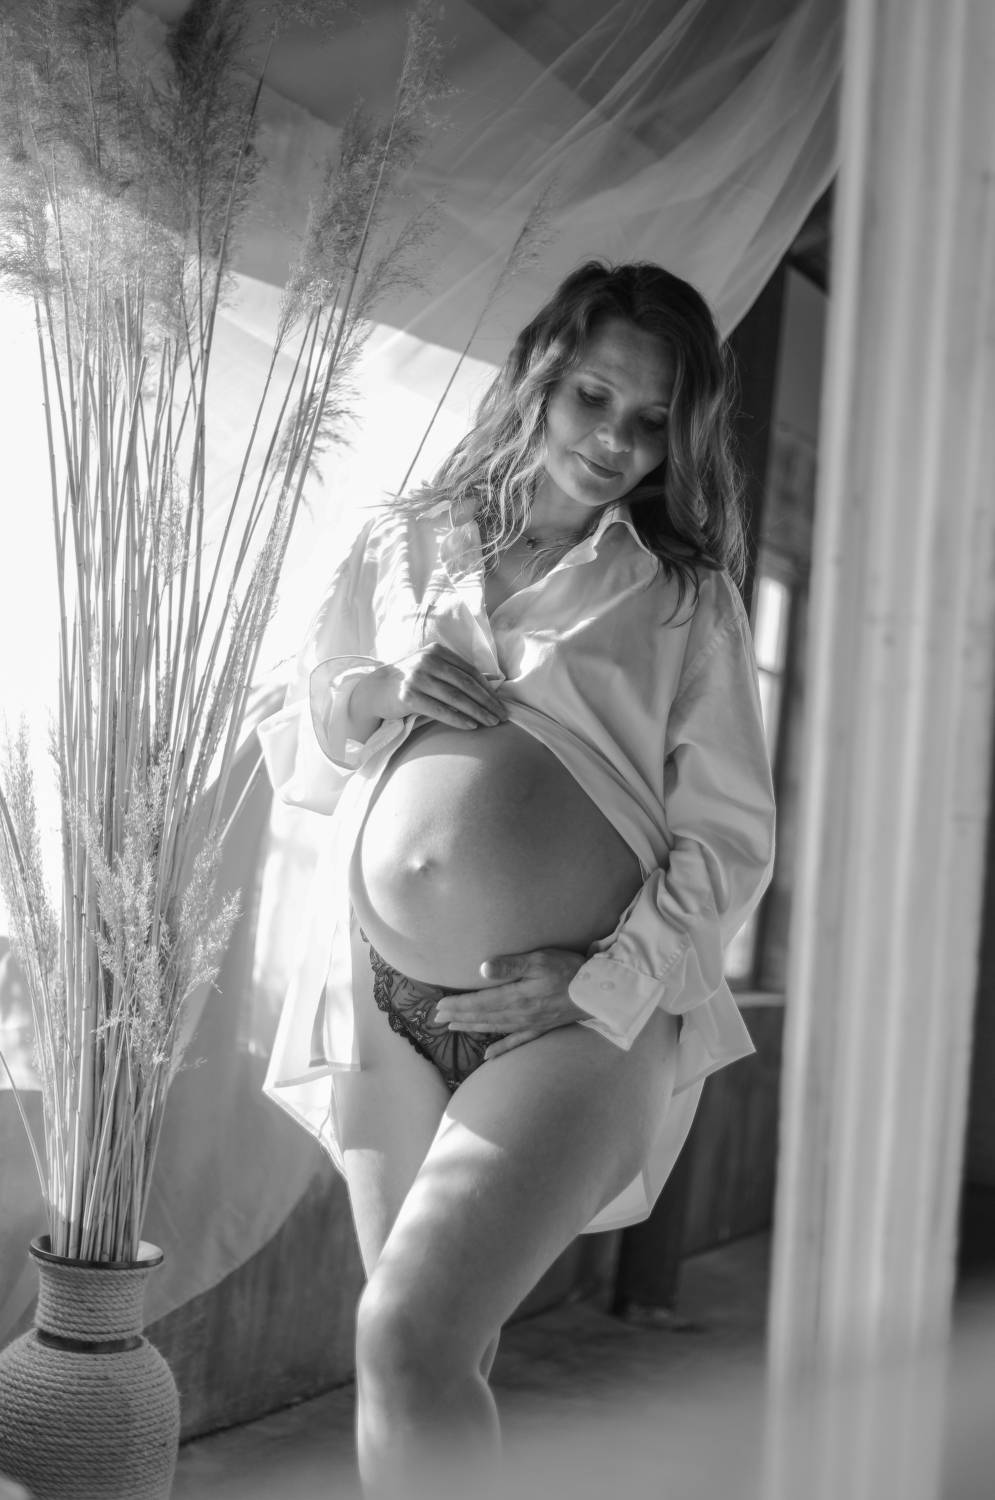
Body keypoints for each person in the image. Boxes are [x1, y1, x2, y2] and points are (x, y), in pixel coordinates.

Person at [257, 259, 776, 1496]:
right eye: (593, 397)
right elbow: (292, 733)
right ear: (540, 377)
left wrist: (602, 983)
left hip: (577, 1024)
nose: (615, 442)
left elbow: (727, 842)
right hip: (384, 1006)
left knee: (407, 1338)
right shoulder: (400, 540)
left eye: (651, 422)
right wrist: (376, 694)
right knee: (429, 1358)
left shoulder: (683, 601)